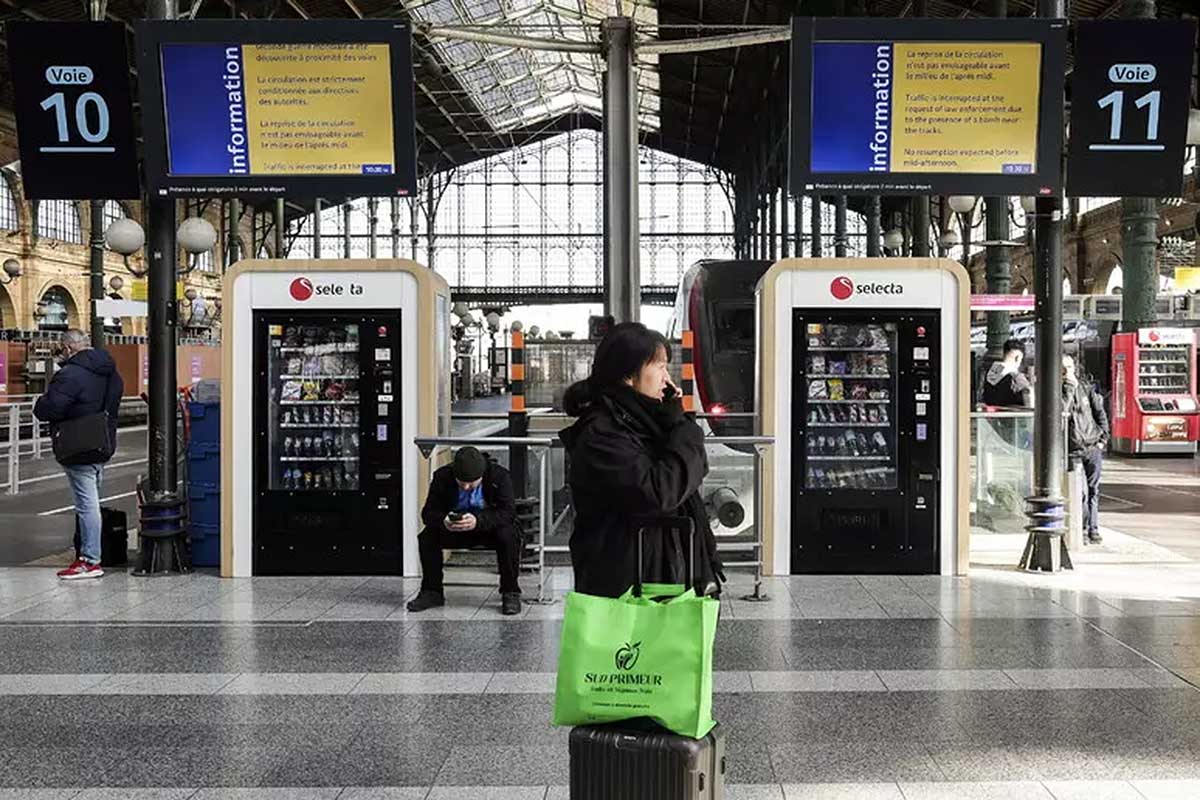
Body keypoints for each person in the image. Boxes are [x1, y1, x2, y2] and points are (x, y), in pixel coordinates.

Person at [559, 322, 724, 599]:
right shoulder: (602, 433)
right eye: (659, 366)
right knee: (627, 645)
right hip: (628, 587)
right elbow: (659, 492)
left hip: (660, 576)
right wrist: (682, 427)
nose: (666, 377)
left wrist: (674, 421)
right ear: (628, 375)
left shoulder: (646, 423)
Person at [33, 329, 124, 580]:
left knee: (87, 504)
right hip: (102, 442)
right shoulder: (111, 372)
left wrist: (40, 402)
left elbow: (49, 408)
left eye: (63, 348)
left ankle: (90, 560)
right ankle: (87, 554)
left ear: (68, 348)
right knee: (91, 499)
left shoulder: (69, 374)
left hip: (77, 445)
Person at [407, 446, 522, 615]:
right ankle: (432, 591)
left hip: (488, 528)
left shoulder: (499, 476)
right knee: (427, 537)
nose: (467, 487)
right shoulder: (442, 477)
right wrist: (443, 520)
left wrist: (479, 520)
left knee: (509, 535)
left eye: (472, 483)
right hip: (455, 528)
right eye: (462, 483)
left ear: (481, 476)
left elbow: (508, 512)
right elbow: (428, 513)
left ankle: (510, 591)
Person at [1063, 353, 1109, 545]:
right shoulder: (1060, 390)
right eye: (1063, 368)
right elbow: (1061, 412)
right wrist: (1068, 389)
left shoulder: (1086, 388)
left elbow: (1100, 413)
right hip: (1073, 449)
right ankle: (1080, 526)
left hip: (1092, 446)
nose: (1067, 372)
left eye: (1070, 367)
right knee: (1078, 491)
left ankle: (1093, 528)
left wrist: (1102, 440)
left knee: (1092, 490)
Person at [982, 338, 1033, 408]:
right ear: (1018, 358)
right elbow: (1029, 399)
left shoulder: (991, 372)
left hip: (993, 416)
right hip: (1014, 416)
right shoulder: (1016, 377)